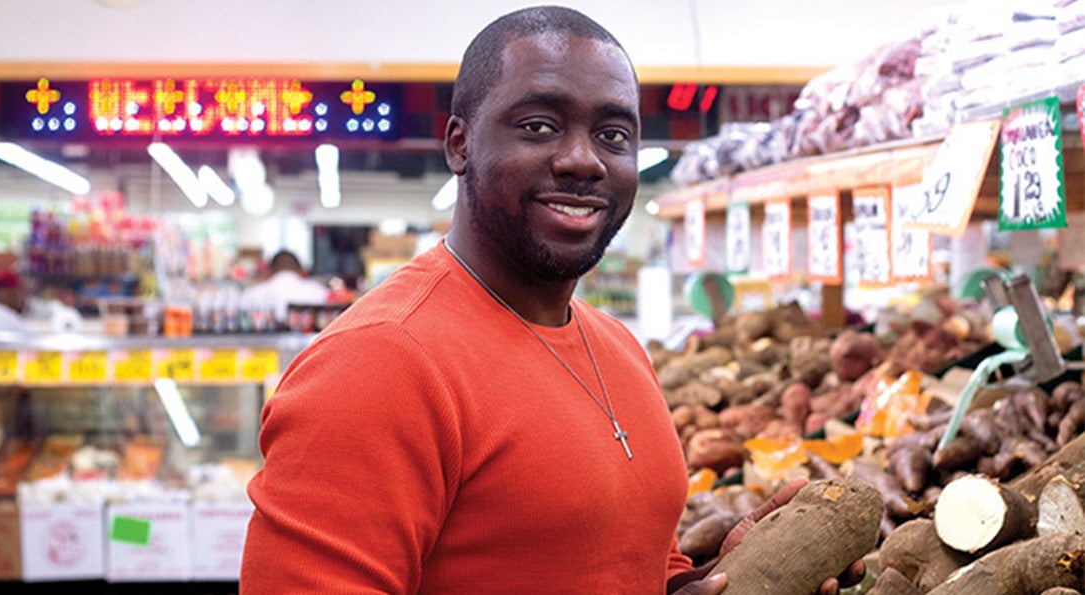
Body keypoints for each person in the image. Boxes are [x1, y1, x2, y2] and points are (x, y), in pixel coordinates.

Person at [241, 6, 862, 594]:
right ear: (459, 144)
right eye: (539, 126)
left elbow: (614, 564)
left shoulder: (616, 346)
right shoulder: (379, 363)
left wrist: (709, 575)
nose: (582, 160)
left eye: (614, 135)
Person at [240, 249, 329, 328]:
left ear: (269, 272)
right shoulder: (320, 292)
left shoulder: (251, 294)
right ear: (302, 271)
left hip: (265, 345)